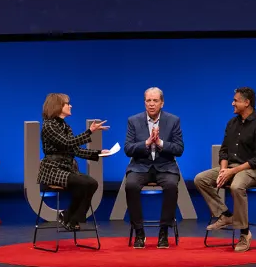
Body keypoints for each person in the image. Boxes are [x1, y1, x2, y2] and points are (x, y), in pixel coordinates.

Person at [193, 87, 256, 253]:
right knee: (201, 179)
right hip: (231, 168)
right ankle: (226, 214)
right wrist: (223, 170)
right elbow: (224, 151)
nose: (232, 103)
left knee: (236, 186)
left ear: (246, 102)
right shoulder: (231, 123)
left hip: (252, 169)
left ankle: (244, 233)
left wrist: (232, 172)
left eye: (236, 100)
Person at [38, 93, 113, 230]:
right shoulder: (49, 126)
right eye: (67, 103)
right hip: (53, 170)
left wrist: (99, 153)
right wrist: (89, 132)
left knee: (92, 183)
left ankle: (68, 217)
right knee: (83, 183)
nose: (70, 105)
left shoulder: (66, 126)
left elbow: (75, 150)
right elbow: (66, 143)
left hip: (66, 169)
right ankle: (71, 219)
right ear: (58, 106)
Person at [122, 87, 184, 249]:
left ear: (162, 103)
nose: (151, 104)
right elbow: (128, 148)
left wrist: (160, 143)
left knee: (171, 186)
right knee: (130, 185)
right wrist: (147, 143)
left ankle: (163, 232)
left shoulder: (173, 120)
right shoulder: (133, 121)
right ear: (144, 103)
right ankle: (139, 232)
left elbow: (179, 149)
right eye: (148, 101)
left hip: (166, 167)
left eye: (155, 101)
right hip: (140, 167)